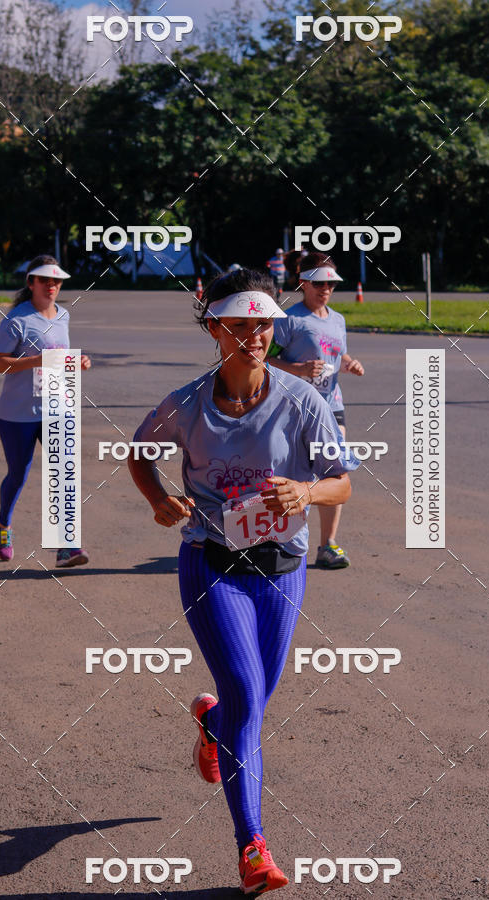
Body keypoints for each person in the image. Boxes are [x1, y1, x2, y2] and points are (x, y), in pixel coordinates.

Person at [128, 267, 359, 895]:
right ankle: (251, 845)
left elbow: (342, 479)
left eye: (264, 324)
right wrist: (158, 499)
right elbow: (138, 450)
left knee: (249, 704)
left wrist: (308, 489)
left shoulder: (303, 401)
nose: (256, 335)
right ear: (215, 328)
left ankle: (212, 723)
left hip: (281, 569)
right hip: (210, 561)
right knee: (247, 698)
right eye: (241, 325)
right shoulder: (187, 401)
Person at [0, 255, 91, 567]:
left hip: (56, 409)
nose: (51, 286)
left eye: (56, 280)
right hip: (17, 414)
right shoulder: (16, 320)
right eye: (44, 280)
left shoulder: (64, 315)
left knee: (62, 475)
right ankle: (3, 525)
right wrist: (36, 360)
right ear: (31, 283)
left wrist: (79, 362)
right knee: (18, 475)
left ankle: (66, 546)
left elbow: (59, 358)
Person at [267, 252, 364, 570]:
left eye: (331, 284)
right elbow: (265, 358)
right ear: (304, 283)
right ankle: (287, 544)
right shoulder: (288, 319)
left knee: (335, 473)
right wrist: (298, 368)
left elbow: (339, 352)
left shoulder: (338, 319)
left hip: (332, 406)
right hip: (294, 406)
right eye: (320, 283)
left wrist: (349, 363)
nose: (326, 289)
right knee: (295, 475)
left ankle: (328, 546)